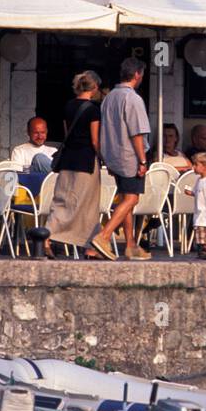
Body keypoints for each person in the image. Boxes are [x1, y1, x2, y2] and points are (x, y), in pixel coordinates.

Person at [91, 58, 152, 262]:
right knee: (132, 198)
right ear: (137, 74)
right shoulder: (132, 99)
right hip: (129, 156)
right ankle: (104, 236)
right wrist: (142, 161)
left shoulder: (109, 98)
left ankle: (131, 245)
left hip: (113, 155)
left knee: (126, 198)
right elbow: (137, 133)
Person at [46, 71, 103, 261]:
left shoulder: (69, 106)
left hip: (67, 158)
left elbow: (66, 133)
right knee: (87, 204)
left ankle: (46, 235)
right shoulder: (94, 110)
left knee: (62, 200)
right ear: (94, 88)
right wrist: (104, 157)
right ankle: (89, 246)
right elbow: (95, 140)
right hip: (85, 160)